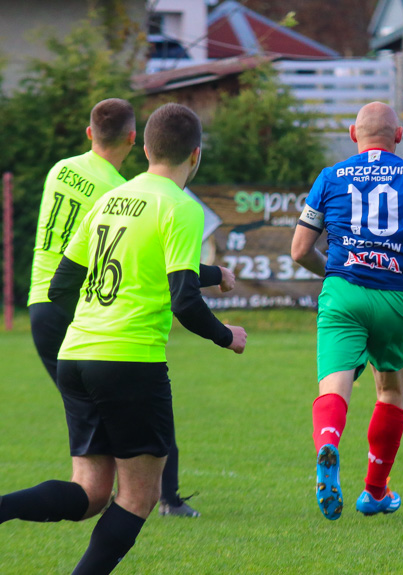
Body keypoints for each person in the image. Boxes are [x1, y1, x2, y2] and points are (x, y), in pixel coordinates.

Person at [0, 103, 247, 574]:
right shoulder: (179, 206)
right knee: (139, 496)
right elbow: (185, 301)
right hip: (129, 359)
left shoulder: (110, 199)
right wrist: (227, 336)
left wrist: (99, 317)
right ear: (196, 156)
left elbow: (60, 285)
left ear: (146, 148)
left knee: (92, 493)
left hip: (75, 353)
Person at [25, 98, 222, 518]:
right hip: (97, 314)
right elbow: (149, 264)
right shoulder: (119, 191)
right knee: (135, 407)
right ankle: (163, 498)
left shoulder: (62, 169)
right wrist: (215, 286)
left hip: (45, 304)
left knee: (93, 481)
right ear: (134, 141)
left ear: (89, 133)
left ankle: (141, 494)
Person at [291, 101, 403, 520]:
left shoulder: (330, 177)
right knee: (389, 391)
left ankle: (329, 444)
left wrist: (332, 270)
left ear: (353, 135)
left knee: (333, 389)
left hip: (343, 293)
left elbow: (299, 250)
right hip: (396, 297)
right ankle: (374, 492)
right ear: (399, 137)